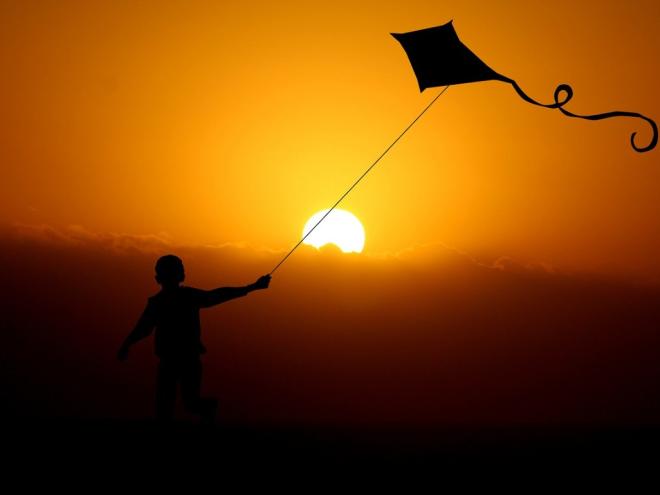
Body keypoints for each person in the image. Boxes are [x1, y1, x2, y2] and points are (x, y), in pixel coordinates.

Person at [117, 254, 271, 424]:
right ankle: (209, 411)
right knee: (176, 404)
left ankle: (209, 411)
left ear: (157, 278)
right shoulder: (170, 300)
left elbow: (144, 328)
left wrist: (126, 344)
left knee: (180, 404)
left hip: (183, 360)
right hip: (178, 360)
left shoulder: (167, 300)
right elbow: (217, 295)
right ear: (181, 276)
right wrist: (252, 287)